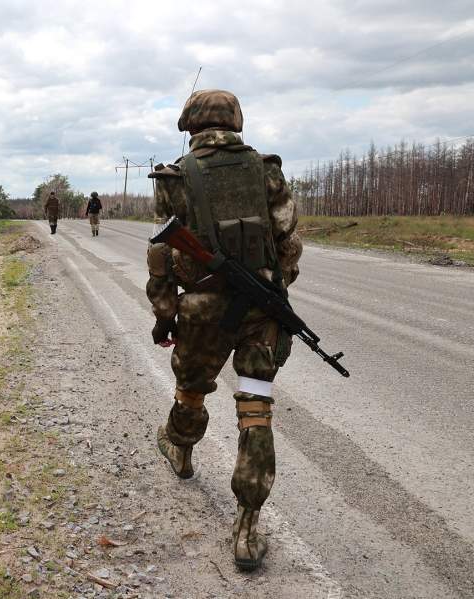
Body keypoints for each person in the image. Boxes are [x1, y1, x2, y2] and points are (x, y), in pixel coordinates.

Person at [145, 89, 303, 572]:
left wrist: (165, 312)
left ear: (189, 125)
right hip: (260, 310)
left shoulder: (175, 177)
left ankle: (181, 448)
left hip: (200, 311)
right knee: (255, 406)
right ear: (236, 121)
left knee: (192, 388)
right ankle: (248, 527)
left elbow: (161, 257)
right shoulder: (267, 170)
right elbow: (288, 244)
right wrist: (274, 293)